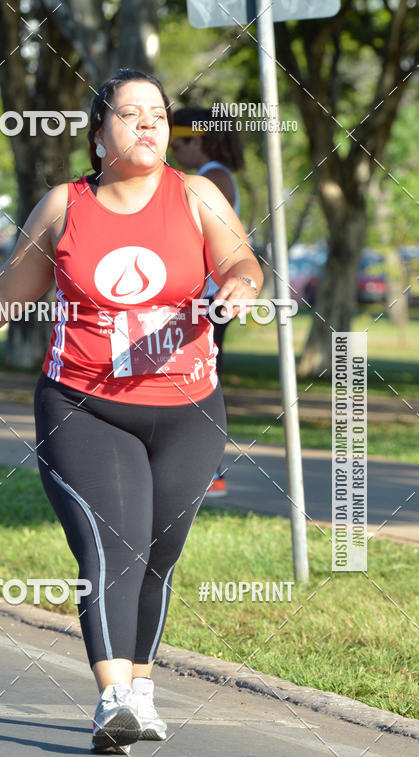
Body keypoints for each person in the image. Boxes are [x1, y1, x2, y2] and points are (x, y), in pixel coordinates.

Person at [0, 70, 263, 755]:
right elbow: (9, 292)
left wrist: (242, 286)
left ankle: (143, 690)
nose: (150, 124)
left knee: (158, 556)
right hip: (84, 406)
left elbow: (240, 258)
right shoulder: (66, 208)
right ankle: (111, 696)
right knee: (111, 545)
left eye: (157, 113)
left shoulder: (197, 196)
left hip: (189, 409)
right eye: (131, 114)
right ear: (100, 136)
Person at [170, 107, 251, 497]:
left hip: (208, 301)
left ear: (196, 140)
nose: (172, 152)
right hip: (205, 300)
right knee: (190, 382)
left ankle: (209, 471)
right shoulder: (212, 176)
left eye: (176, 142)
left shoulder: (211, 178)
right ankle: (200, 469)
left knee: (198, 383)